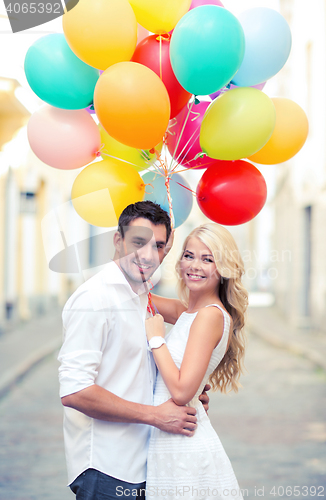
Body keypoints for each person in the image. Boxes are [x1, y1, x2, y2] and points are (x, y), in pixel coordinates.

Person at [58, 201, 209, 500]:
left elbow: (137, 370)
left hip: (146, 464)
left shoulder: (140, 294)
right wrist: (156, 415)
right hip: (105, 467)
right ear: (118, 240)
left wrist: (183, 398)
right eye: (138, 242)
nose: (148, 255)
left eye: (159, 246)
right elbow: (74, 391)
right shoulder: (93, 299)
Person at [145, 223, 248, 500]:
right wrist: (161, 251)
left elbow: (181, 392)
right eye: (189, 256)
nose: (195, 266)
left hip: (184, 450)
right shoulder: (189, 312)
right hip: (170, 441)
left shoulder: (210, 316)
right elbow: (139, 295)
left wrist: (157, 340)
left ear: (223, 268)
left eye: (208, 259)